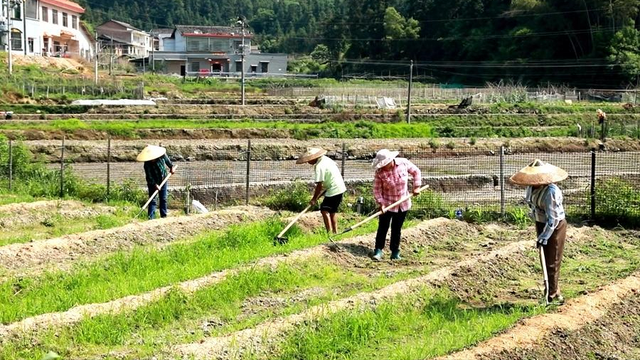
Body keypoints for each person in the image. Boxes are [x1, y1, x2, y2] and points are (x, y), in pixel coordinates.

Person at [510, 159, 568, 305]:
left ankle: (552, 297)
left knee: (552, 260)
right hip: (541, 223)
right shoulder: (531, 188)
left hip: (555, 226)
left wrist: (545, 235)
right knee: (544, 258)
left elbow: (553, 218)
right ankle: (553, 291)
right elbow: (533, 206)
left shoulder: (551, 192)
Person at [371, 149, 422, 261]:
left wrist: (416, 186)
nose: (383, 166)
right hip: (387, 204)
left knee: (396, 229)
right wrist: (381, 203)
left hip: (403, 203)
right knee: (383, 228)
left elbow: (416, 172)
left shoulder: (403, 163)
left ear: (390, 161)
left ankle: (395, 252)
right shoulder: (380, 173)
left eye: (385, 164)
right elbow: (377, 190)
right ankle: (378, 250)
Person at [296, 147, 346, 234]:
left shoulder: (319, 166)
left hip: (333, 189)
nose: (308, 162)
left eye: (309, 160)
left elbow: (319, 186)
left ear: (314, 158)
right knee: (332, 211)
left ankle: (329, 233)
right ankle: (335, 232)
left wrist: (314, 199)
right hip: (340, 187)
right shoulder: (326, 159)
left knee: (324, 210)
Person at [136, 145, 175, 220]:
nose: (152, 160)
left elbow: (168, 162)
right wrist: (155, 184)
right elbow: (149, 176)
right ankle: (151, 218)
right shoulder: (147, 165)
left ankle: (164, 216)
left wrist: (171, 167)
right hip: (152, 183)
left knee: (163, 199)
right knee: (153, 200)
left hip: (163, 179)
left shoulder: (162, 155)